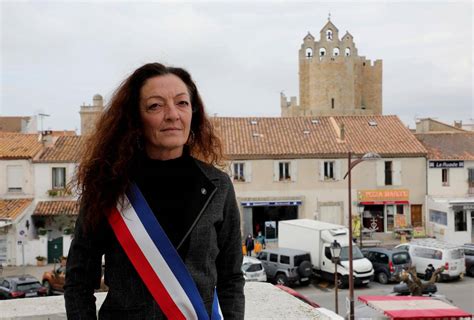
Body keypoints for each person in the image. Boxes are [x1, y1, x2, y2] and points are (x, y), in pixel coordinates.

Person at [64, 63, 245, 319]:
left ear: (193, 112)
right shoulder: (110, 187)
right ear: (135, 118)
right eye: (155, 106)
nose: (172, 115)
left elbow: (232, 278)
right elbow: (78, 282)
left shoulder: (218, 186)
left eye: (182, 103)